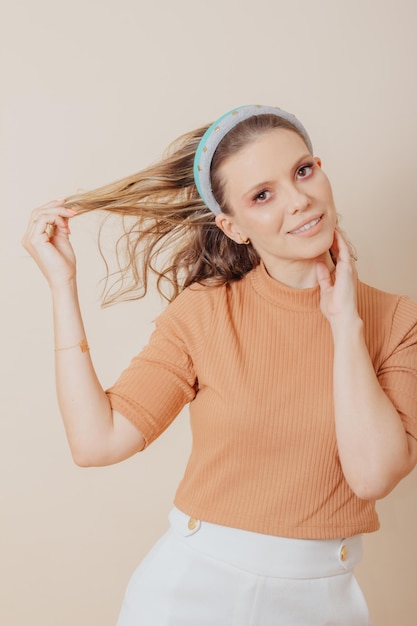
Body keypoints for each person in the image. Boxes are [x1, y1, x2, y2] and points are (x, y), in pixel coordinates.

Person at [22, 104, 417, 625]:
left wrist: (345, 324)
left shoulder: (397, 321)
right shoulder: (206, 312)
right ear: (233, 226)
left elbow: (371, 475)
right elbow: (98, 442)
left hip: (325, 602)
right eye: (262, 194)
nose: (300, 201)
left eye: (303, 171)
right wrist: (62, 286)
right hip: (192, 592)